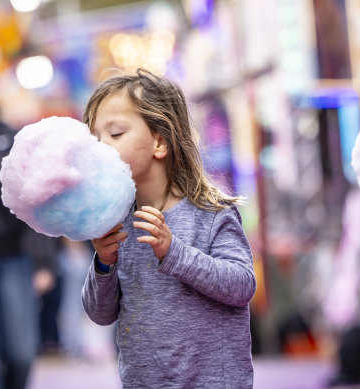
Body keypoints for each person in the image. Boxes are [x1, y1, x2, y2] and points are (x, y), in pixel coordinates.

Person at [81, 69, 256, 388]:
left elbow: (243, 285)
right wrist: (103, 263)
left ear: (159, 141)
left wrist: (173, 252)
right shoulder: (115, 224)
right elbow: (100, 314)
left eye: (115, 133)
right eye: (95, 138)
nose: (101, 146)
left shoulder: (211, 214)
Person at [0, 92, 57, 389]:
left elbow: (36, 202)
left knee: (20, 355)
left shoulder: (11, 139)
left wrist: (44, 262)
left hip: (13, 258)